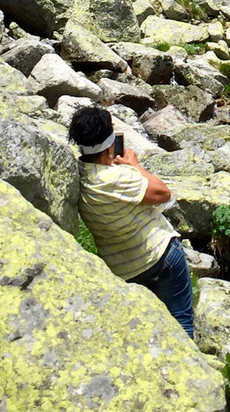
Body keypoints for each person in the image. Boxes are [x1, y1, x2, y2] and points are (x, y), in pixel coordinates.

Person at [68, 105, 194, 338]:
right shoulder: (118, 177)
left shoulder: (80, 173)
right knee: (181, 321)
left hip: (124, 270)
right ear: (109, 145)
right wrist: (135, 165)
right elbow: (162, 193)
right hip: (161, 256)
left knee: (144, 330)